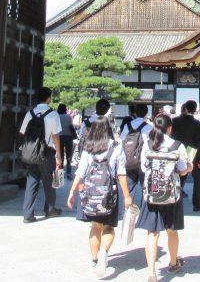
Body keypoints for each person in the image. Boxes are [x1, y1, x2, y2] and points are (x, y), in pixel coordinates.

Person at [66, 116, 133, 279]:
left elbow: (80, 171)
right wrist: (127, 196)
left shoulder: (89, 147)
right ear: (110, 129)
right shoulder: (116, 147)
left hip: (91, 193)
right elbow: (121, 173)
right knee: (108, 227)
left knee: (95, 227)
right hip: (109, 193)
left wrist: (72, 192)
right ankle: (104, 251)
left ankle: (95, 260)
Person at [137, 114, 191, 282]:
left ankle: (152, 273)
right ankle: (174, 263)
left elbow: (144, 169)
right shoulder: (177, 146)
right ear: (170, 128)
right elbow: (182, 170)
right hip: (171, 194)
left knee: (152, 233)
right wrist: (189, 167)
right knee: (171, 231)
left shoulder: (147, 145)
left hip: (152, 193)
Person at [20, 87, 63, 223]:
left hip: (32, 151)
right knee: (49, 181)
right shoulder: (53, 114)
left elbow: (23, 132)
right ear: (48, 98)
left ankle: (28, 214)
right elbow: (56, 136)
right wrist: (59, 156)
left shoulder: (30, 113)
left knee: (32, 180)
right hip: (47, 152)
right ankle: (50, 209)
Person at [171, 100, 200, 211]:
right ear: (195, 110)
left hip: (177, 152)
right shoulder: (197, 124)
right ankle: (197, 204)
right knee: (197, 179)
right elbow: (198, 142)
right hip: (192, 154)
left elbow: (172, 137)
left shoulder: (175, 121)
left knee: (178, 178)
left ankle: (174, 201)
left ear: (185, 109)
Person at [120, 103, 152, 202]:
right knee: (145, 188)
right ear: (146, 113)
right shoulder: (149, 127)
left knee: (129, 188)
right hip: (144, 161)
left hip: (129, 159)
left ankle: (128, 213)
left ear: (135, 112)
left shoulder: (127, 125)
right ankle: (144, 213)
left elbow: (122, 140)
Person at [58, 104, 75, 178]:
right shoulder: (68, 116)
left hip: (59, 137)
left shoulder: (57, 117)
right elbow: (71, 126)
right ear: (65, 109)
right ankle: (68, 172)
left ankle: (59, 174)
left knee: (60, 155)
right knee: (69, 155)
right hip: (68, 137)